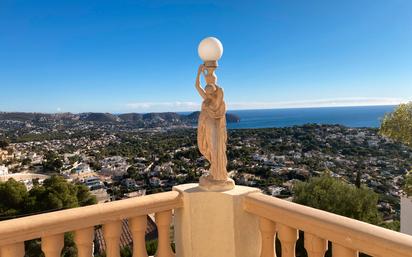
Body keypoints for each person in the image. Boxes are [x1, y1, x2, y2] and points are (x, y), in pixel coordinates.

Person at [195, 64, 228, 181]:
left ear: (214, 90)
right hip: (205, 124)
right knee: (207, 146)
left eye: (209, 91)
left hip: (213, 125)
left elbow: (221, 91)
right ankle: (214, 170)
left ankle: (218, 173)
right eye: (206, 91)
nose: (206, 93)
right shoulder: (206, 99)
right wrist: (199, 72)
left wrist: (209, 74)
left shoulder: (217, 100)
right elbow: (197, 86)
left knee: (214, 147)